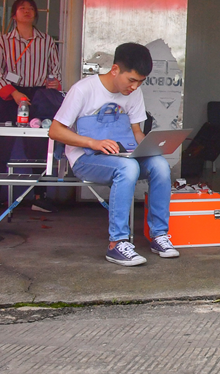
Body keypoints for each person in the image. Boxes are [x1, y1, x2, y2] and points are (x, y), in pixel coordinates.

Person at [49, 43, 178, 266]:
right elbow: (55, 131)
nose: (135, 87)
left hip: (122, 156)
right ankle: (117, 243)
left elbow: (136, 132)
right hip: (86, 159)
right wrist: (92, 142)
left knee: (159, 165)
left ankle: (159, 235)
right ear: (115, 69)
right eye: (132, 80)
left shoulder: (134, 93)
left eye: (140, 82)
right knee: (128, 168)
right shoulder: (83, 90)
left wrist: (150, 147)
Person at [0, 0, 62, 213]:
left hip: (37, 95)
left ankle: (40, 197)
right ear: (14, 15)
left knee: (38, 146)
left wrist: (52, 84)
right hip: (10, 95)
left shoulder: (46, 41)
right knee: (2, 145)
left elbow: (55, 69)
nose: (27, 11)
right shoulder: (3, 42)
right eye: (22, 8)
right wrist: (13, 93)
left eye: (31, 8)